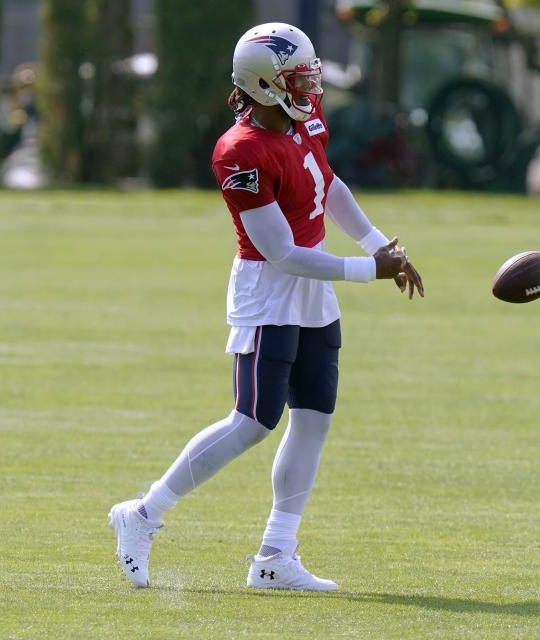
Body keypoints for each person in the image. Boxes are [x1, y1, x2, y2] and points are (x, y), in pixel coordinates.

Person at [109, 22, 423, 591]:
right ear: (262, 83)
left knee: (314, 418)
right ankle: (143, 513)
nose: (309, 87)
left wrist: (379, 245)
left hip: (314, 288)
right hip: (269, 289)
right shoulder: (240, 152)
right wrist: (365, 270)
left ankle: (276, 555)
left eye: (309, 75)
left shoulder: (305, 119)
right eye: (296, 78)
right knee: (254, 420)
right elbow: (281, 253)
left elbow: (329, 185)